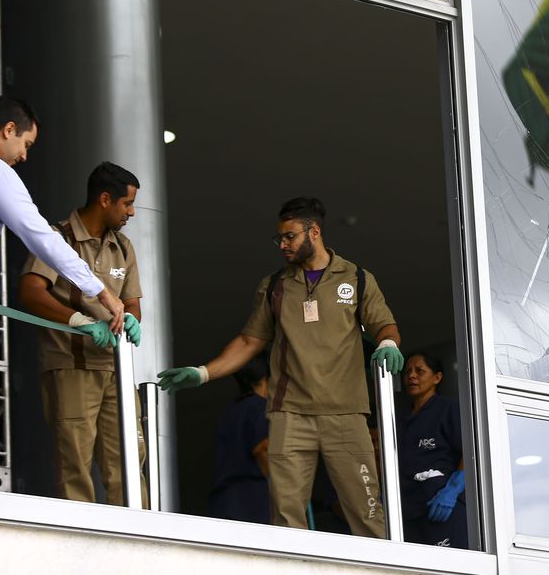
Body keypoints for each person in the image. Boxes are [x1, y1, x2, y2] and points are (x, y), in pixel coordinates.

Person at [158, 197, 403, 538]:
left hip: (346, 412)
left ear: (314, 232)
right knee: (286, 520)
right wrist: (202, 372)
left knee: (367, 512)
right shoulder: (275, 285)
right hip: (289, 414)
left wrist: (388, 344)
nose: (283, 245)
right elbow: (249, 341)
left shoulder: (357, 278)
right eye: (280, 238)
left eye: (289, 237)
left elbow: (384, 326)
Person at [0, 97, 125, 429]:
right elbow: (41, 237)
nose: (24, 156)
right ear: (9, 130)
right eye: (25, 144)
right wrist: (101, 292)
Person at [17, 162, 145, 506]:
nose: (131, 212)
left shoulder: (124, 246)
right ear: (105, 199)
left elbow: (132, 303)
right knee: (74, 462)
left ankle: (139, 541)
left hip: (116, 368)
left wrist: (132, 319)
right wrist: (77, 320)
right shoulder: (58, 236)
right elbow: (30, 291)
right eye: (127, 204)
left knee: (130, 461)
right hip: (71, 365)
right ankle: (80, 547)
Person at [398, 352, 467, 549]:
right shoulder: (400, 421)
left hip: (443, 507)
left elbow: (471, 453)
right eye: (408, 372)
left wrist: (452, 491)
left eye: (419, 371)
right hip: (409, 513)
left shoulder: (448, 409)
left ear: (437, 378)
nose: (411, 376)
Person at [208, 358, 271, 524]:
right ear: (267, 378)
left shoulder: (229, 411)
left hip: (224, 501)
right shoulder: (260, 407)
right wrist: (282, 490)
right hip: (252, 503)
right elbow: (262, 448)